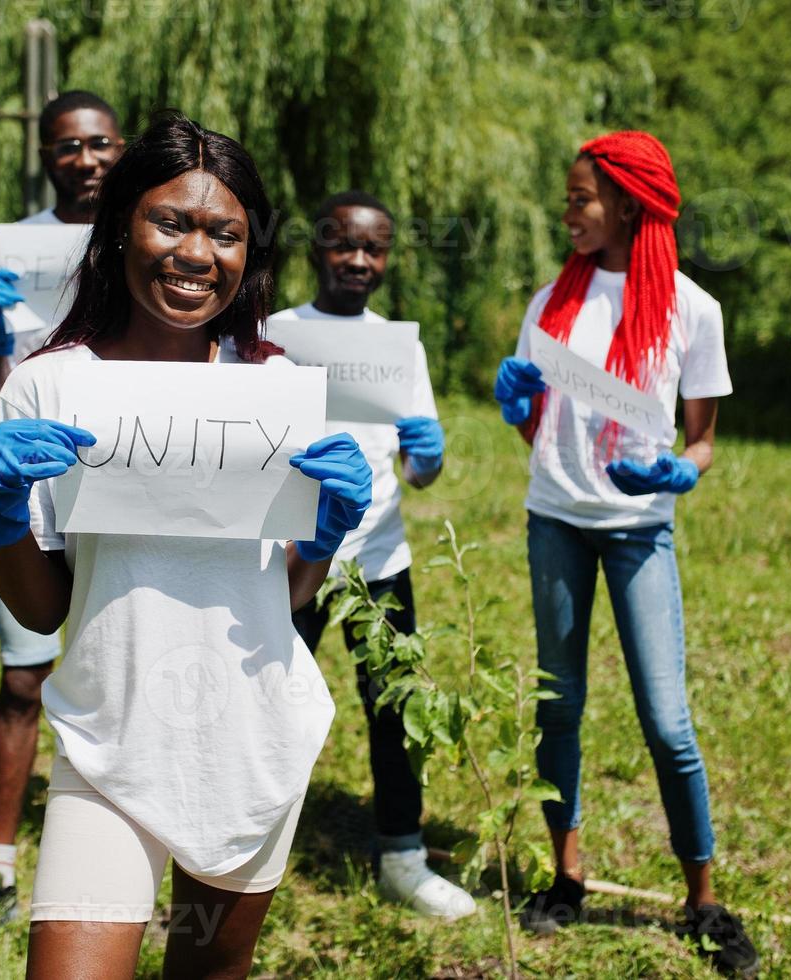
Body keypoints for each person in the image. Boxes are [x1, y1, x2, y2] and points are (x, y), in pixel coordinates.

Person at [0, 113, 371, 979]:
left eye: (223, 232)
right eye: (171, 222)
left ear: (249, 253)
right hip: (106, 741)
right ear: (120, 225)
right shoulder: (48, 382)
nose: (196, 253)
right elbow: (42, 612)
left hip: (252, 740)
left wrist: (325, 537)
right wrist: (4, 511)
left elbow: (291, 594)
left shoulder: (274, 390)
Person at [492, 131, 759, 977]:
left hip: (639, 528)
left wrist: (679, 472)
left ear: (630, 204)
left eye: (580, 199)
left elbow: (703, 443)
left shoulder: (691, 310)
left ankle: (704, 901)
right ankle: (565, 877)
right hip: (554, 520)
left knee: (667, 722)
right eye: (567, 198)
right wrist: (518, 410)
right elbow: (542, 427)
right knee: (557, 706)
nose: (565, 213)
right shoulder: (549, 303)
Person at [0, 91, 125, 925]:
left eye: (98, 144)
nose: (84, 160)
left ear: (119, 148)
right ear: (45, 154)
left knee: (124, 670)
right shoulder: (1, 249)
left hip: (123, 481)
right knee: (24, 677)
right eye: (66, 147)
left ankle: (121, 855)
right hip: (28, 485)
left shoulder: (144, 235)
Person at [273, 191, 473, 920]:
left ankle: (403, 856)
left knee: (393, 710)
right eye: (343, 244)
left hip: (378, 560)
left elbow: (415, 469)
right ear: (314, 248)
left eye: (375, 248)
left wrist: (428, 461)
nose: (359, 260)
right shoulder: (273, 336)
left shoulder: (398, 345)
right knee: (269, 702)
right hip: (289, 560)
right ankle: (244, 843)